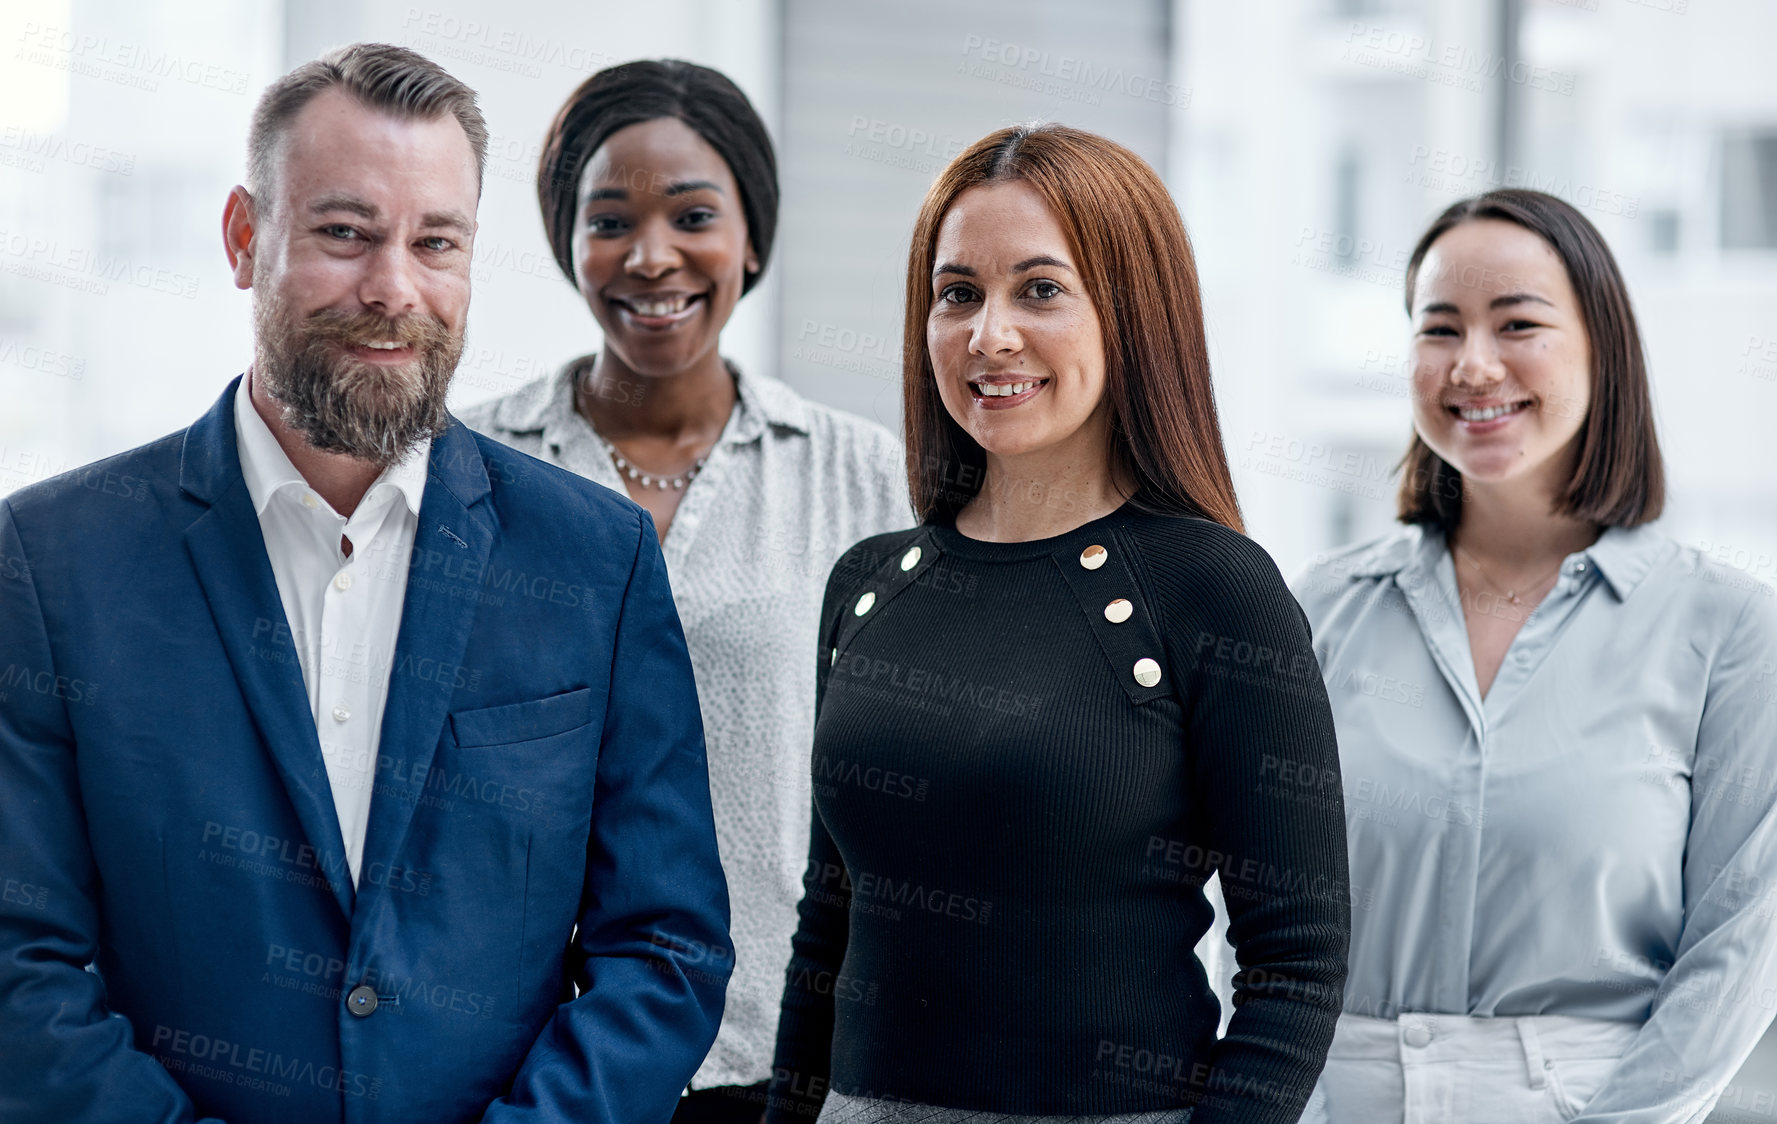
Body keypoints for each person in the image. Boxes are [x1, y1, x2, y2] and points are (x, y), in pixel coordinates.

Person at [0, 44, 730, 1124]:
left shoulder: (596, 559)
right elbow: (22, 965)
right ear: (246, 239)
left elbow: (663, 947)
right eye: (346, 234)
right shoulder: (50, 560)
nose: (394, 287)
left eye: (436, 241)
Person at [768, 123, 1350, 1124]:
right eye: (958, 293)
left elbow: (1295, 963)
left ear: (1133, 315)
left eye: (1040, 289)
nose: (989, 334)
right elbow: (828, 931)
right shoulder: (868, 582)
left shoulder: (1213, 586)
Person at [459, 60, 908, 1124]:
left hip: (790, 1056)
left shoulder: (859, 473)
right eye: (608, 219)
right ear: (568, 241)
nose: (651, 255)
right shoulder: (468, 464)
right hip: (532, 1065)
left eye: (694, 215)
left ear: (752, 237)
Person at [1293, 189, 1777, 1122]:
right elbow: (1253, 918)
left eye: (1516, 324)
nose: (1472, 365)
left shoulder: (1729, 632)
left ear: (1603, 349)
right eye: (1439, 329)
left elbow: (1739, 948)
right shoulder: (1317, 611)